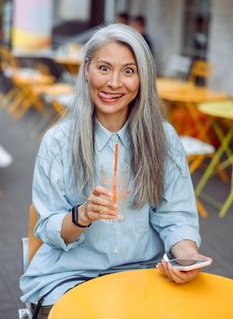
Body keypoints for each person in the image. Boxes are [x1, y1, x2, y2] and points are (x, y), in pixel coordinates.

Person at [20, 24, 211, 318]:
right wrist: (82, 215)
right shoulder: (57, 142)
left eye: (128, 71)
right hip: (69, 277)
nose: (114, 83)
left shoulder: (164, 138)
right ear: (87, 70)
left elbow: (175, 216)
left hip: (142, 275)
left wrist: (186, 258)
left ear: (142, 78)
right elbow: (48, 227)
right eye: (104, 68)